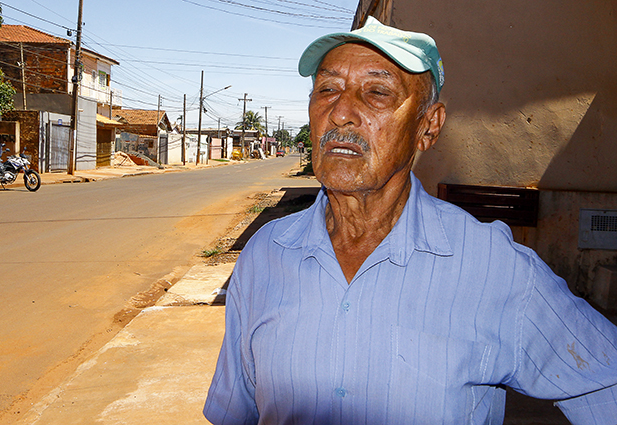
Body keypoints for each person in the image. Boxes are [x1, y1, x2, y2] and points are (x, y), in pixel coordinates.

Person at [204, 17, 617, 424]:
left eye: (377, 92)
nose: (341, 112)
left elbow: (605, 381)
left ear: (428, 126)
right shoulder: (264, 254)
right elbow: (235, 411)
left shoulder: (493, 266)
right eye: (327, 89)